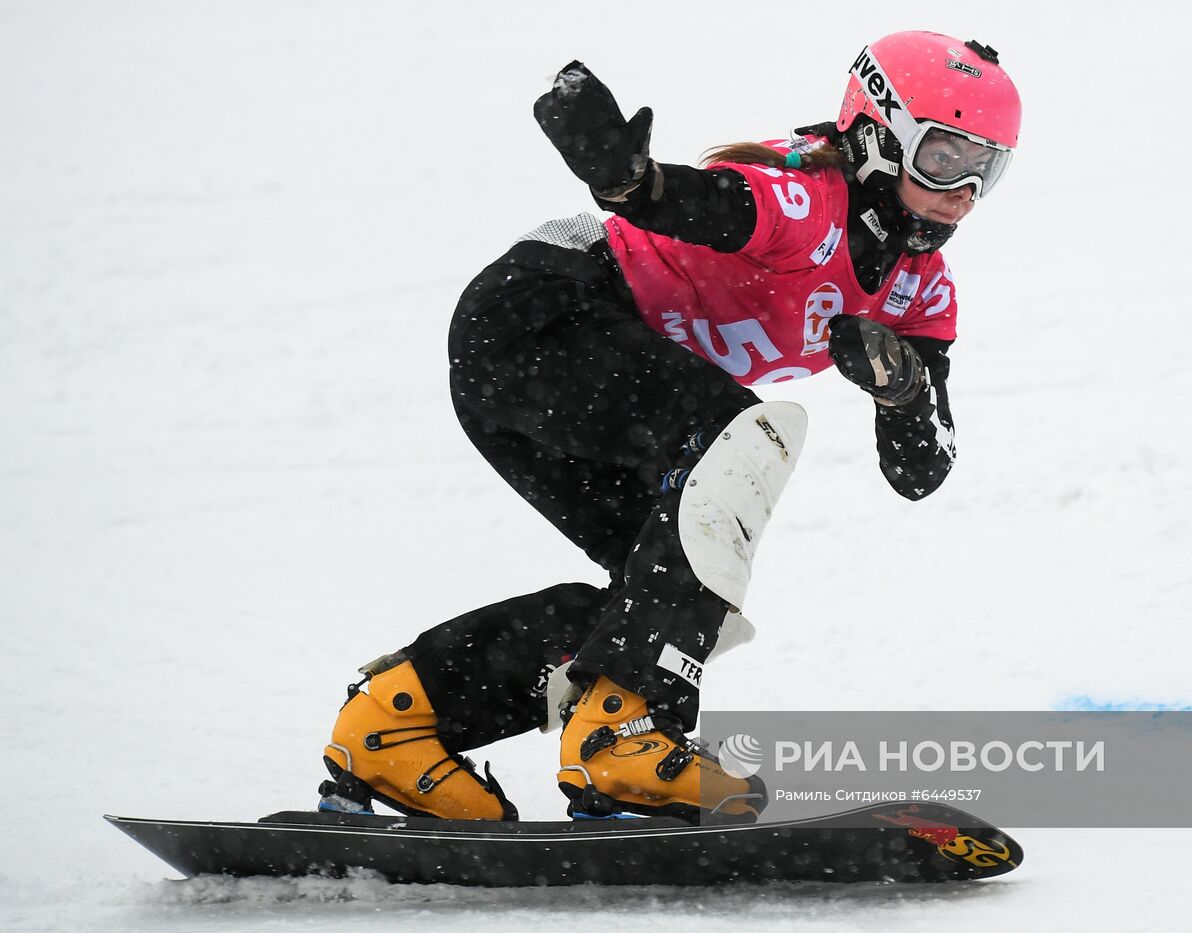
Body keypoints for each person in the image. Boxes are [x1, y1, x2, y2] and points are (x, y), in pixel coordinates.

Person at [317, 31, 1022, 824]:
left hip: (571, 377)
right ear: (878, 133)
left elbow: (922, 470)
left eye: (985, 168)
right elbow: (691, 202)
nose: (962, 190)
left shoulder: (921, 291)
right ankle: (623, 736)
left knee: (664, 599)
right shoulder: (802, 199)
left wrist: (901, 393)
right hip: (538, 315)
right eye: (943, 156)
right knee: (741, 436)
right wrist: (627, 177)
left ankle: (398, 723)